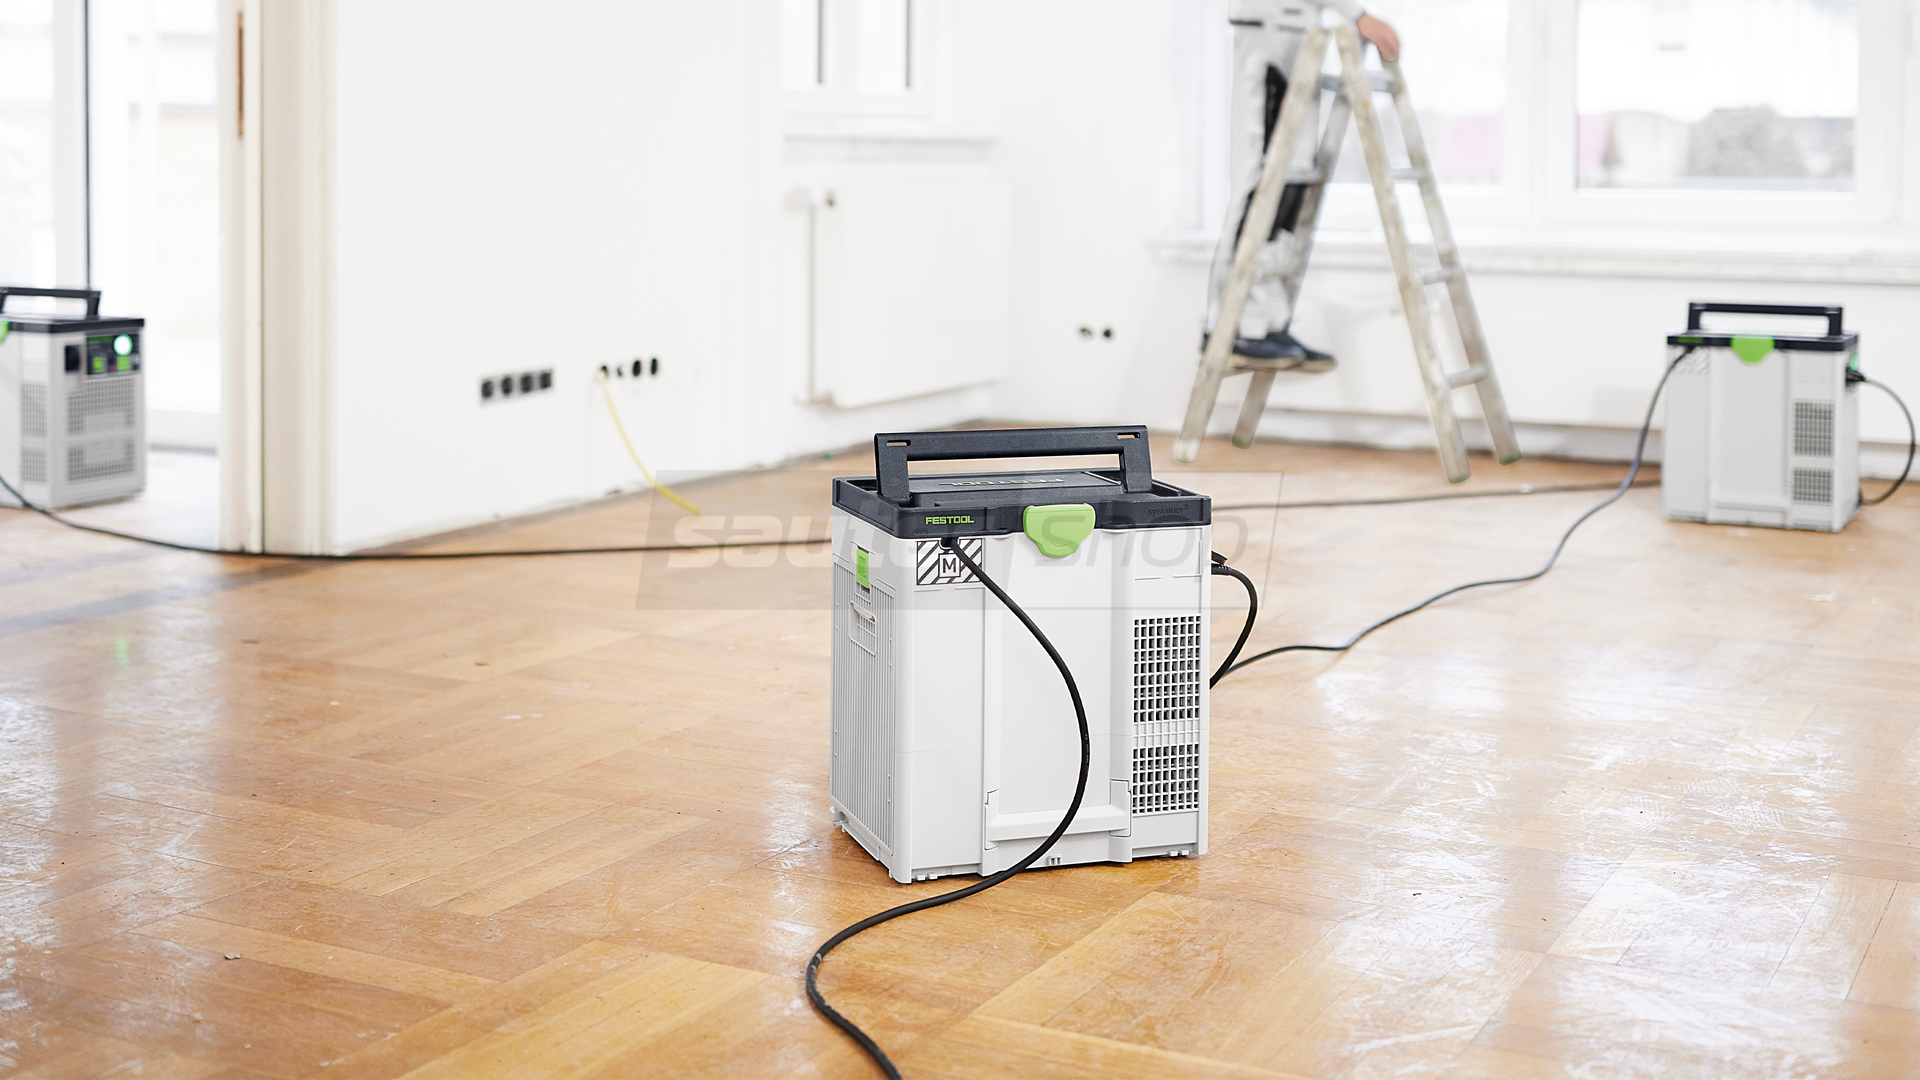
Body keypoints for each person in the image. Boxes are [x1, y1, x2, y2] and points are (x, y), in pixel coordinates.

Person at [1205, 1, 1400, 373]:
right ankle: (1230, 327)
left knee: (1290, 184)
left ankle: (1268, 323)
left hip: (1302, 29)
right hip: (1268, 28)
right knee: (1260, 182)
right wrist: (1357, 15)